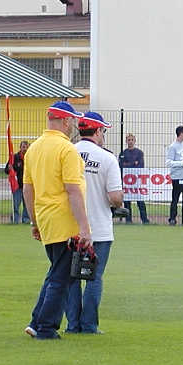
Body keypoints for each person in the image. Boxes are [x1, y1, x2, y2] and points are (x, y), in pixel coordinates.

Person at [23, 100, 91, 340]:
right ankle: (46, 327)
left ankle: (36, 321)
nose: (74, 126)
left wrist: (34, 222)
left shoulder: (34, 148)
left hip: (46, 218)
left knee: (55, 273)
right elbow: (73, 190)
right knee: (61, 279)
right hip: (65, 221)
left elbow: (27, 190)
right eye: (73, 121)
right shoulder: (67, 150)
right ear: (65, 121)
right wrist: (84, 228)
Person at [64, 111, 122, 335]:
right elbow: (115, 196)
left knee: (71, 278)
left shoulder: (68, 152)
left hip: (70, 227)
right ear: (98, 131)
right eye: (103, 131)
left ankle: (72, 324)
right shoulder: (107, 158)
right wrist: (116, 203)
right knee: (94, 278)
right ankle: (89, 325)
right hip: (99, 228)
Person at [118, 133, 150, 224]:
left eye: (132, 140)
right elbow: (121, 167)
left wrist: (128, 165)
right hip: (126, 182)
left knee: (140, 201)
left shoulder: (139, 153)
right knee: (127, 201)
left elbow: (140, 166)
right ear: (126, 141)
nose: (130, 142)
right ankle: (128, 220)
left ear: (134, 141)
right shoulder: (123, 153)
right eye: (129, 140)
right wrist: (133, 164)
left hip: (137, 181)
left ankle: (145, 220)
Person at [6, 140, 30, 224]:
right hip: (17, 186)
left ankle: (26, 220)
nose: (25, 149)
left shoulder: (31, 158)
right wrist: (9, 168)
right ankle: (15, 220)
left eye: (27, 147)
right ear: (20, 147)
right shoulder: (14, 157)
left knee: (27, 205)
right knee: (16, 205)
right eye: (24, 147)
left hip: (27, 186)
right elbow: (6, 170)